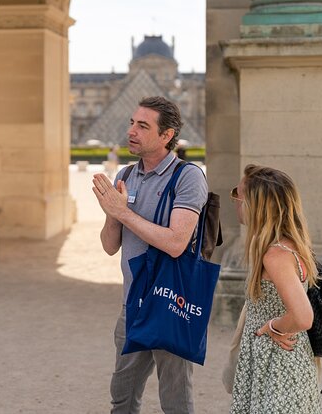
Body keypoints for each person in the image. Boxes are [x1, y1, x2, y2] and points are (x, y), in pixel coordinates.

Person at [92, 96, 208, 414]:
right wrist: (112, 214)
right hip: (132, 304)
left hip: (171, 302)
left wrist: (124, 212)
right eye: (132, 122)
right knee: (122, 397)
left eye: (143, 126)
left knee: (175, 401)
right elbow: (109, 245)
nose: (132, 130)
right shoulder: (125, 176)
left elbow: (175, 243)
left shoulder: (187, 177)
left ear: (166, 135)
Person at [229, 165, 321, 413]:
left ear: (255, 205)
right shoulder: (289, 245)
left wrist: (272, 326)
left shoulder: (276, 255)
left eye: (237, 194)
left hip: (277, 367)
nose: (235, 201)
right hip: (282, 364)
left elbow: (303, 317)